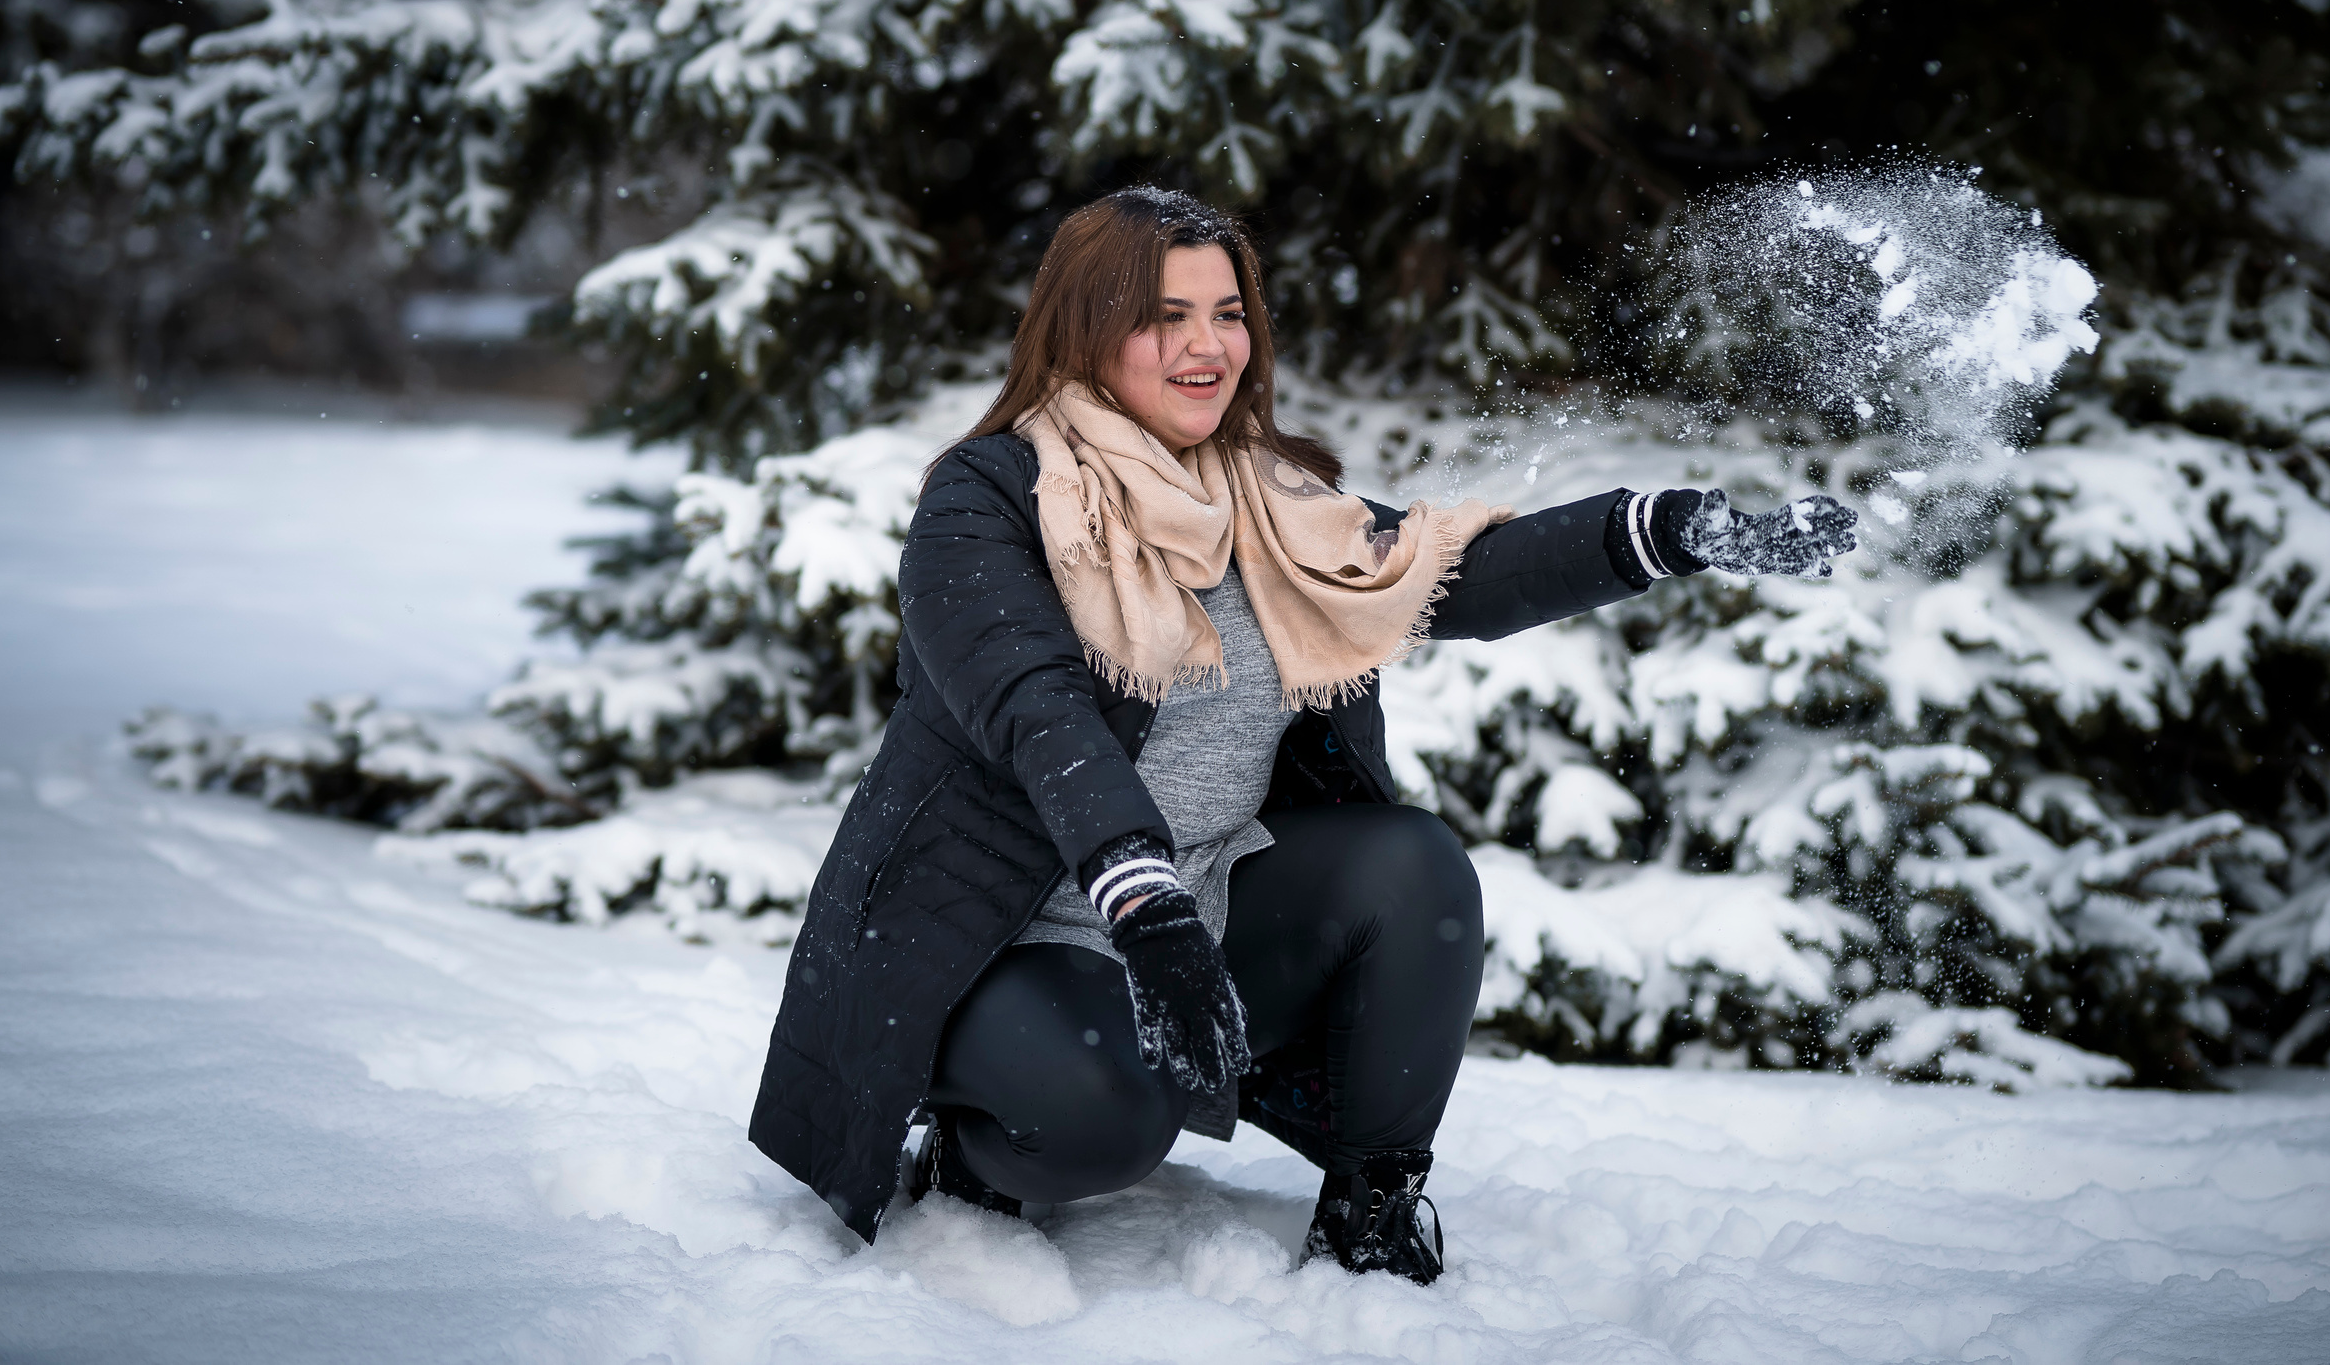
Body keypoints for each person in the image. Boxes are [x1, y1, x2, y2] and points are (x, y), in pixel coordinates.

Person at [747, 186, 1857, 1283]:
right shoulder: (988, 500)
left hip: (1208, 898)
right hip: (999, 937)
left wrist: (1674, 530)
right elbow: (1036, 709)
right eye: (1163, 315)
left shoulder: (1270, 503)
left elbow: (1446, 575)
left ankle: (1374, 1198)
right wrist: (1141, 901)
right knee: (1108, 1119)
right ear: (1083, 330)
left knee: (1409, 867)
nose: (1205, 346)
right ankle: (974, 1145)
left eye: (1226, 313)